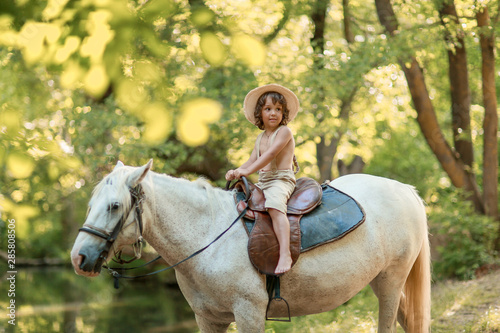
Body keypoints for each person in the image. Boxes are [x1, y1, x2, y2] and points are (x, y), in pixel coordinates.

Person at [226, 84, 300, 275]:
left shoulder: (284, 132)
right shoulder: (260, 137)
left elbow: (269, 155)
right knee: (240, 201)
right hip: (264, 181)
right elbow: (252, 160)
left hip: (280, 180)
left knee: (275, 205)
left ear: (284, 113)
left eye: (278, 109)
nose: (273, 113)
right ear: (260, 113)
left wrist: (248, 170)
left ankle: (285, 253)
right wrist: (237, 171)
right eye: (268, 109)